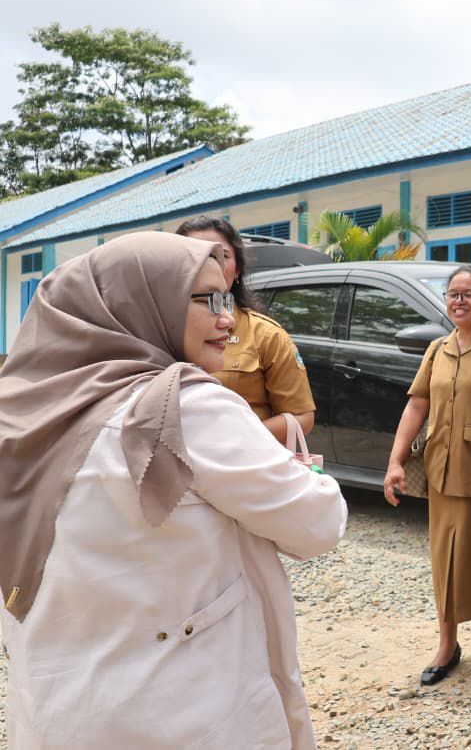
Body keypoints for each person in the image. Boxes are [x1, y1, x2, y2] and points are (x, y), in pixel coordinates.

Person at [0, 232, 347, 749]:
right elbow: (317, 525)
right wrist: (305, 474)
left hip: (61, 707)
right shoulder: (185, 407)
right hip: (184, 707)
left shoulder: (22, 413)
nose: (227, 318)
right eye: (205, 299)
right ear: (140, 302)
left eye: (226, 298)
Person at [383, 265, 471, 691]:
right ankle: (447, 645)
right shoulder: (438, 349)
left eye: (469, 294)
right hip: (443, 471)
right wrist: (396, 461)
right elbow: (416, 406)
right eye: (452, 294)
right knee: (445, 563)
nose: (458, 301)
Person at [176, 216, 316, 444]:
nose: (208, 264)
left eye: (220, 256)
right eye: (194, 255)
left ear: (238, 269)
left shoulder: (266, 335)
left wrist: (240, 438)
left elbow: (302, 416)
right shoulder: (158, 331)